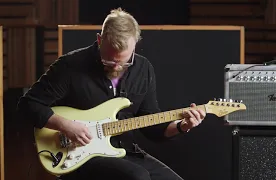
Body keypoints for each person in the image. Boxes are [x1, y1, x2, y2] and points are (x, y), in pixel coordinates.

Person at [17, 8, 206, 180]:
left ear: (135, 46)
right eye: (109, 60)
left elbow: (151, 127)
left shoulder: (143, 69)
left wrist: (182, 125)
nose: (117, 67)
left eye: (124, 62)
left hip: (124, 151)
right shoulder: (70, 66)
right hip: (80, 155)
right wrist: (66, 126)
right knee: (138, 177)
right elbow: (28, 105)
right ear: (99, 40)